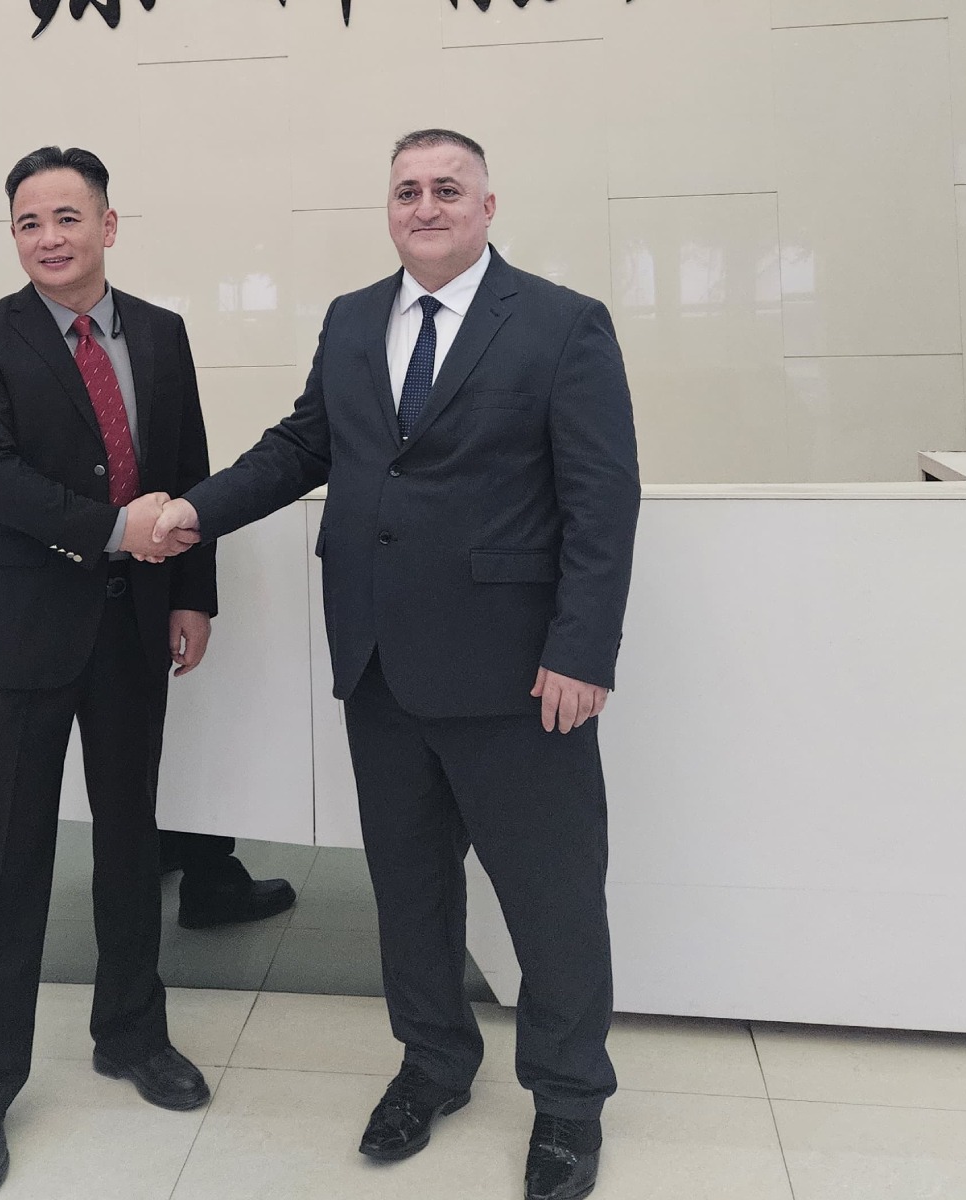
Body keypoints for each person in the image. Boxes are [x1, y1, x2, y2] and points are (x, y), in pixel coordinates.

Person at [151, 129, 640, 1200]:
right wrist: (194, 511)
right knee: (410, 893)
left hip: (519, 677)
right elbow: (301, 447)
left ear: (487, 206)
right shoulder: (351, 319)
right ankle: (432, 1064)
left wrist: (580, 650)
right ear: (389, 208)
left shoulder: (561, 324)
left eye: (446, 189)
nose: (425, 205)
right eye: (407, 190)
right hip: (379, 664)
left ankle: (568, 1100)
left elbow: (604, 501)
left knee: (552, 900)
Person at [0, 145, 292, 1195]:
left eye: (66, 217)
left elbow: (187, 466)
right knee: (2, 858)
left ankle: (132, 1033)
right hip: (27, 630)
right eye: (28, 222)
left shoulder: (163, 333)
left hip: (136, 624)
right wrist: (112, 531)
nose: (48, 237)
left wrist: (191, 594)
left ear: (108, 225)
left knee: (134, 839)